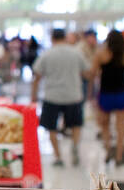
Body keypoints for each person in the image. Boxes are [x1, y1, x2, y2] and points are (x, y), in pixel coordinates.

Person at [31, 27, 86, 167]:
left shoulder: (46, 54)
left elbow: (36, 77)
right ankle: (74, 146)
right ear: (65, 38)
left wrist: (34, 97)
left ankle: (58, 156)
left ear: (52, 38)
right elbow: (86, 72)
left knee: (51, 127)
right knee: (75, 125)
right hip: (73, 95)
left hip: (52, 96)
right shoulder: (76, 53)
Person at [91, 30, 124, 170]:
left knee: (105, 125)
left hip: (106, 94)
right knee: (121, 126)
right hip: (122, 93)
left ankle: (108, 150)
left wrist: (91, 94)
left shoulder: (101, 54)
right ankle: (119, 156)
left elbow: (93, 74)